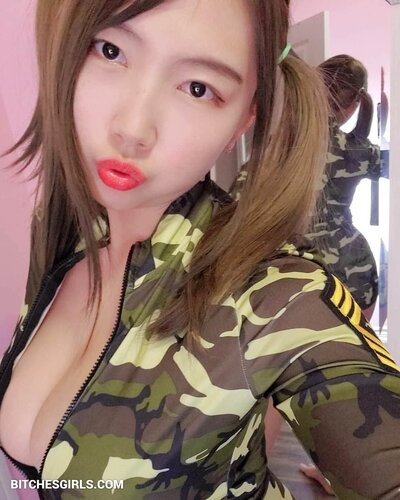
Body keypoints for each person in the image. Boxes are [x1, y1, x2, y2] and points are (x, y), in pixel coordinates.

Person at [0, 2, 399, 500]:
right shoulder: (62, 228)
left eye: (197, 88)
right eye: (111, 50)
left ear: (243, 120)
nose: (133, 128)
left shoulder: (277, 298)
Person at [232, 54, 388, 496]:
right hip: (354, 273)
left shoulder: (281, 143)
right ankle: (336, 476)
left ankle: (250, 483)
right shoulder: (360, 150)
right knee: (344, 385)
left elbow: (238, 203)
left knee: (273, 394)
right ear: (353, 104)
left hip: (292, 278)